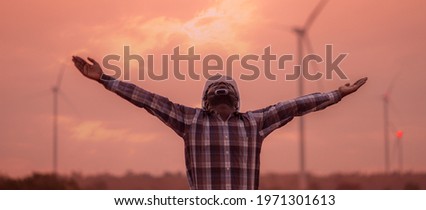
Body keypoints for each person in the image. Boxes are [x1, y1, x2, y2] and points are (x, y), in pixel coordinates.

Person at [72, 55, 367, 190]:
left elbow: (295, 106)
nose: (221, 93)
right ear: (206, 97)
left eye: (226, 89)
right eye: (215, 89)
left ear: (236, 97)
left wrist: (336, 94)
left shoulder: (255, 122)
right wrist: (104, 80)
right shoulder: (190, 120)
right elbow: (148, 99)